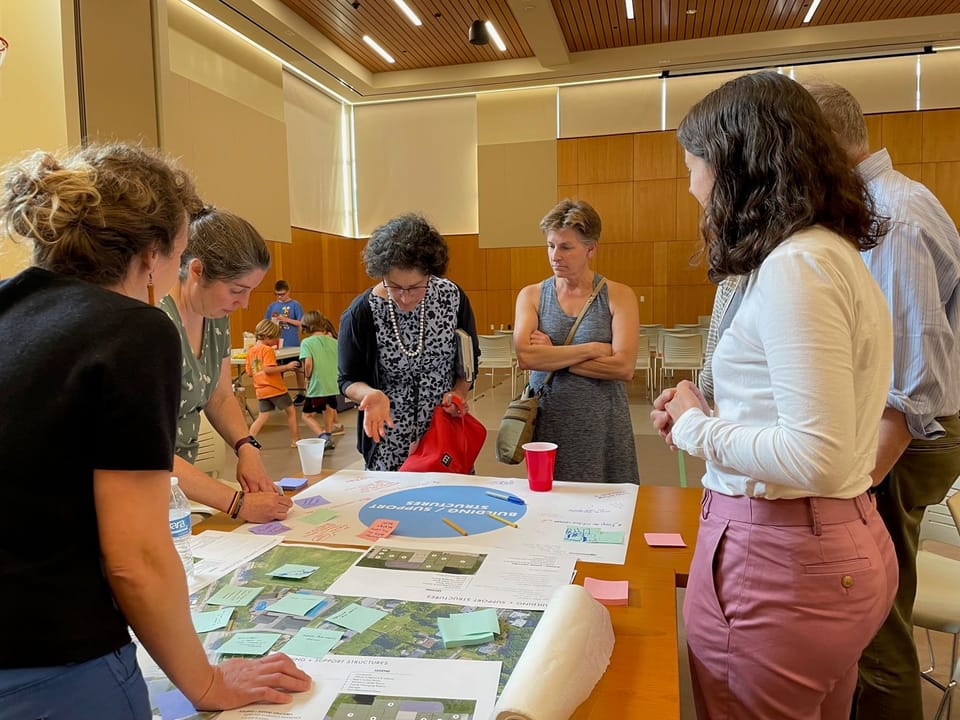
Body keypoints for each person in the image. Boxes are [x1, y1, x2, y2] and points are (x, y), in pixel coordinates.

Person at [0, 143, 310, 719]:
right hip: (50, 652)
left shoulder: (10, 308)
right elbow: (135, 557)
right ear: (153, 256)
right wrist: (207, 683)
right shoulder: (134, 331)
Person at [650, 71, 898, 719]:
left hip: (782, 566)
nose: (691, 189)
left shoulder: (797, 267)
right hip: (822, 549)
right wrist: (704, 414)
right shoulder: (824, 254)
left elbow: (813, 452)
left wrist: (694, 430)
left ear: (737, 167)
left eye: (694, 168)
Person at [805, 79, 960, 720]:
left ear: (821, 143)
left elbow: (909, 381)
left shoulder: (888, 217)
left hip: (901, 437)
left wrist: (854, 486)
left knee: (872, 622)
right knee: (869, 611)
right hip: (895, 428)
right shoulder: (875, 208)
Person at [160, 207, 292, 523]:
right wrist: (237, 504)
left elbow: (219, 396)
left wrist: (246, 447)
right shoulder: (156, 323)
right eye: (237, 290)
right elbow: (147, 453)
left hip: (180, 496)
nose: (244, 303)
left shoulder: (216, 317)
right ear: (196, 271)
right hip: (147, 492)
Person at [338, 213, 480, 470]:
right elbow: (347, 378)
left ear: (430, 273)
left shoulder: (452, 297)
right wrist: (369, 393)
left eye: (415, 287)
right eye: (394, 286)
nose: (404, 297)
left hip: (443, 434)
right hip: (389, 441)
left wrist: (458, 394)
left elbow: (471, 359)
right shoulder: (362, 312)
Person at [513, 199, 640, 484]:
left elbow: (623, 368)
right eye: (550, 245)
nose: (555, 255)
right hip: (549, 425)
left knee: (609, 509)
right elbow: (527, 357)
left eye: (566, 247)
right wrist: (593, 349)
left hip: (604, 427)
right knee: (550, 508)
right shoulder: (532, 296)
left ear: (591, 248)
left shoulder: (619, 296)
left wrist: (553, 356)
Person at [246, 319, 301, 448]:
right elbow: (268, 369)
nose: (276, 341)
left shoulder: (251, 350)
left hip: (261, 389)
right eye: (274, 338)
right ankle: (295, 439)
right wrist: (287, 367)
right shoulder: (267, 350)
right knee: (291, 411)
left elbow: (249, 372)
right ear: (267, 336)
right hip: (275, 388)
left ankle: (248, 441)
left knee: (262, 417)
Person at [299, 310, 340, 449]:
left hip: (317, 384)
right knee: (328, 408)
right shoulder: (334, 341)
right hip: (332, 383)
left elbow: (308, 363)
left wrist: (307, 377)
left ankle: (322, 435)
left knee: (306, 415)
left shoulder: (306, 343)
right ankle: (328, 433)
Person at [265, 279, 306, 404]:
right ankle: (279, 393)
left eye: (282, 294)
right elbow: (266, 323)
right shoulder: (272, 306)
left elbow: (301, 323)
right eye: (277, 294)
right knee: (278, 369)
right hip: (276, 344)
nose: (280, 297)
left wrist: (286, 319)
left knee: (297, 369)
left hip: (292, 343)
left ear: (288, 292)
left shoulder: (295, 305)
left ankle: (301, 393)